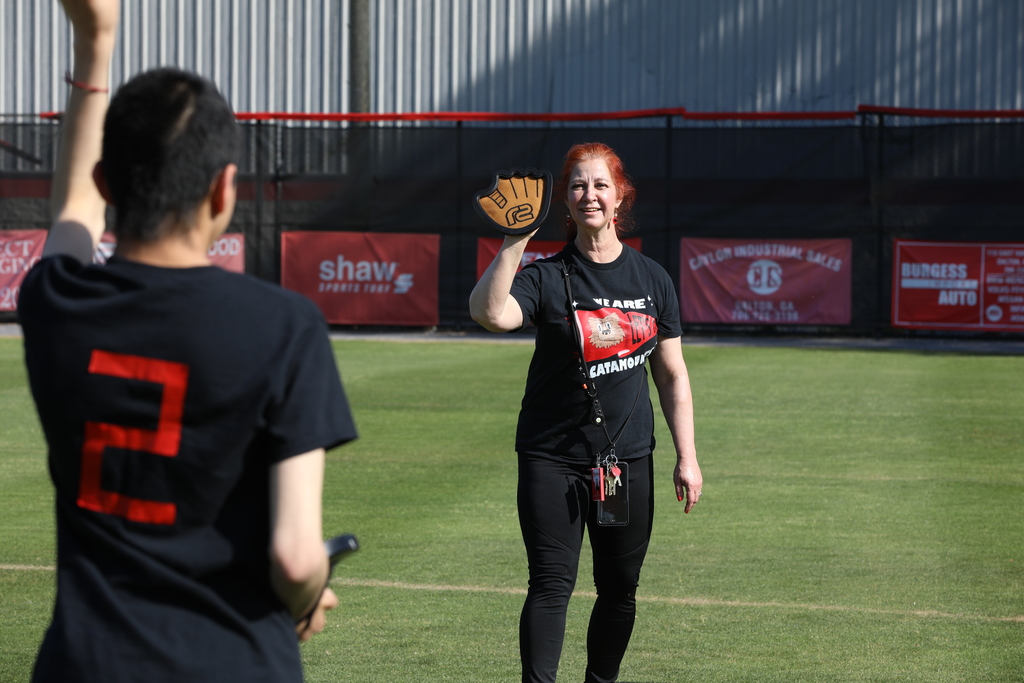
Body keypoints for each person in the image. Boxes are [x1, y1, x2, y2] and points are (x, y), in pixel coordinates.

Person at [19, 1, 356, 681]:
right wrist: (308, 591)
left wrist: (95, 41)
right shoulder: (286, 326)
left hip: (86, 663)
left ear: (109, 183)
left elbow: (73, 214)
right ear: (224, 189)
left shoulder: (55, 302)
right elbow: (295, 557)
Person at [469, 142, 703, 683]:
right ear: (565, 202)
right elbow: (490, 314)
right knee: (551, 583)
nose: (589, 194)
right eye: (577, 185)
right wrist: (514, 241)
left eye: (600, 184)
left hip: (626, 460)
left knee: (620, 588)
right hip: (553, 456)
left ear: (620, 196)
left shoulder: (653, 280)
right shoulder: (547, 276)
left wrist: (686, 457)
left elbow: (672, 374)